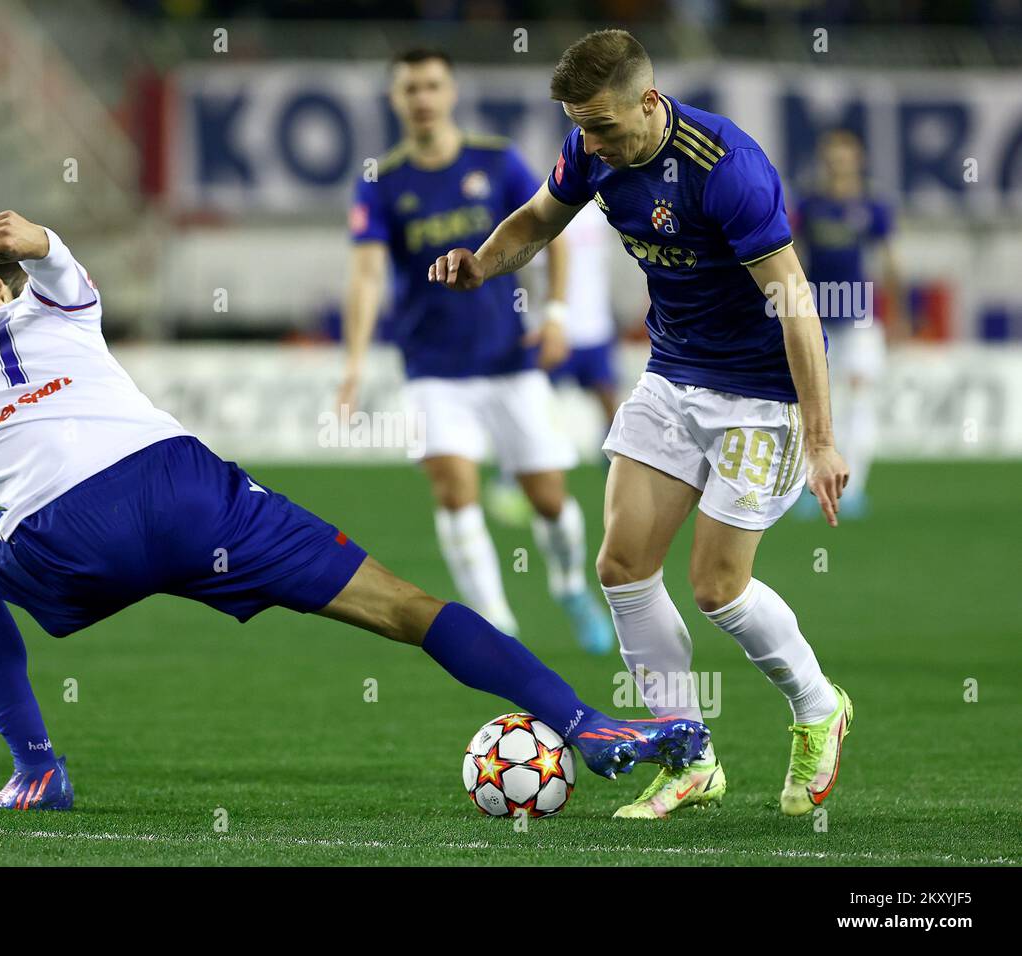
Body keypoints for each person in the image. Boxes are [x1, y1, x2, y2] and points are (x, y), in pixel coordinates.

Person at [0, 210, 707, 811]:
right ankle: (585, 721)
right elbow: (60, 258)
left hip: (72, 538)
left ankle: (37, 768)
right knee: (406, 608)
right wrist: (40, 240)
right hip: (193, 492)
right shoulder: (46, 312)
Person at [428, 29, 853, 819]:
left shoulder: (726, 169)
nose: (589, 144)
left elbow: (796, 303)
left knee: (717, 588)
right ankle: (688, 754)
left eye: (603, 127)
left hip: (763, 394)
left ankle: (819, 706)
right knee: (622, 568)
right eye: (580, 127)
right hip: (673, 376)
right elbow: (536, 219)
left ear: (649, 103)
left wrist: (823, 439)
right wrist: (482, 261)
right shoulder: (593, 149)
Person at [339, 48, 613, 653]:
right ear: (396, 99)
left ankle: (570, 587)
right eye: (410, 88)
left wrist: (557, 315)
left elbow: (550, 229)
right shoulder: (382, 181)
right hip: (432, 366)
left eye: (432, 85)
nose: (422, 98)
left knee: (548, 499)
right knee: (454, 490)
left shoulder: (496, 161)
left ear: (451, 91)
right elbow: (365, 276)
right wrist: (353, 363)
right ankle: (496, 626)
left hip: (508, 358)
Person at [793, 128, 907, 518]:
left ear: (858, 159)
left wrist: (898, 316)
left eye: (844, 156)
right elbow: (790, 255)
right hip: (818, 314)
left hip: (860, 315)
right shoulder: (809, 205)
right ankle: (813, 484)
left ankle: (852, 486)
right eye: (831, 157)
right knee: (819, 401)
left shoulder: (873, 206)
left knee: (858, 398)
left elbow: (890, 261)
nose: (837, 164)